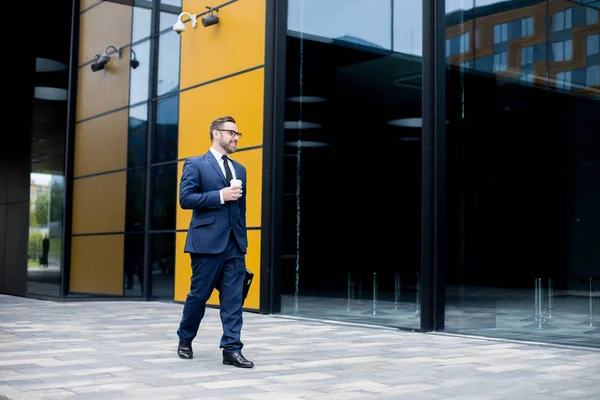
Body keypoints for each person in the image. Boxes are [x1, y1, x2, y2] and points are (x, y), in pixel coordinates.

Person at [176, 116, 253, 368]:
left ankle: (231, 349)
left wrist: (243, 241)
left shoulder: (240, 169)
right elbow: (186, 199)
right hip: (206, 243)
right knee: (199, 296)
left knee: (233, 299)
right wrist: (220, 195)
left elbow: (241, 209)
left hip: (233, 244)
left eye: (238, 134)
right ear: (216, 134)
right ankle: (185, 339)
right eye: (232, 133)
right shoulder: (196, 164)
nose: (236, 138)